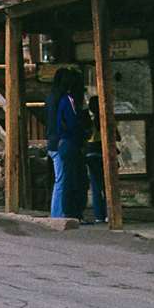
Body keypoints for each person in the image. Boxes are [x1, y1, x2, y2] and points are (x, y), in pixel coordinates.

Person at [44, 68, 86, 220]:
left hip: (51, 140)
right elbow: (70, 121)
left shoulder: (50, 98)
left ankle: (58, 212)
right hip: (62, 141)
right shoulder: (65, 99)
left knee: (59, 179)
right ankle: (58, 214)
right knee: (62, 180)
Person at [83, 94, 106, 225]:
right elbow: (117, 136)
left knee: (96, 187)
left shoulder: (88, 121)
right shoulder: (104, 120)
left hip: (91, 153)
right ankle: (109, 213)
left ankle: (99, 215)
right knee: (106, 186)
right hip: (102, 151)